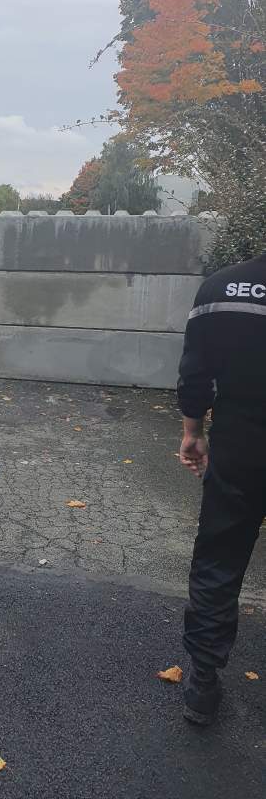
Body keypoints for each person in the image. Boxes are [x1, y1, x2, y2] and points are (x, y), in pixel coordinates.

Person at [177, 248, 266, 725]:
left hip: (239, 449)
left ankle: (203, 683)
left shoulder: (221, 290)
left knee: (219, 558)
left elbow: (195, 372)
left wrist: (193, 433)